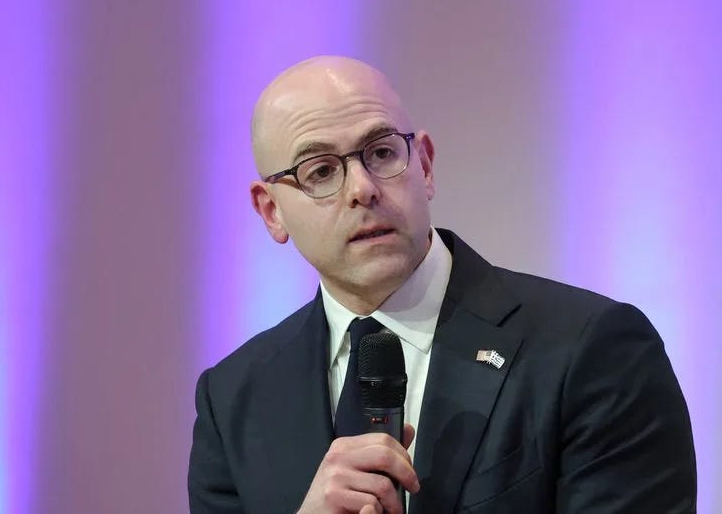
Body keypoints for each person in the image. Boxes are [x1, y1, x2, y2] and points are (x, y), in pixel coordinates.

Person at [188, 56, 696, 513]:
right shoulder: (232, 399)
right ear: (271, 212)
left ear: (425, 165)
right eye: (320, 171)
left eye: (381, 153)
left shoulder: (591, 349)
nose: (363, 188)